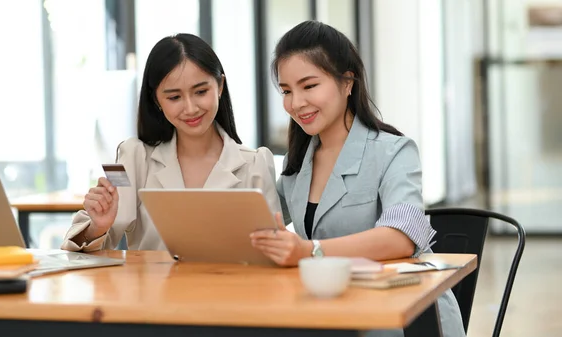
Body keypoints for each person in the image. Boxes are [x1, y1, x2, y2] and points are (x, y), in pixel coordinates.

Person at [249, 21, 465, 337]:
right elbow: (260, 218)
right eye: (286, 91)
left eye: (309, 86)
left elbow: (401, 237)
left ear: (347, 82)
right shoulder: (299, 164)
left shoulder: (394, 151)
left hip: (403, 319)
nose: (296, 103)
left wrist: (309, 251)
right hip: (333, 313)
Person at [61, 33, 280, 252]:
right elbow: (80, 246)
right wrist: (97, 227)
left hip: (232, 286)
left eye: (201, 92)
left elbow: (274, 252)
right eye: (174, 97)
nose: (191, 108)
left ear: (220, 86)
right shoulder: (132, 155)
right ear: (156, 99)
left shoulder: (256, 163)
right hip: (153, 286)